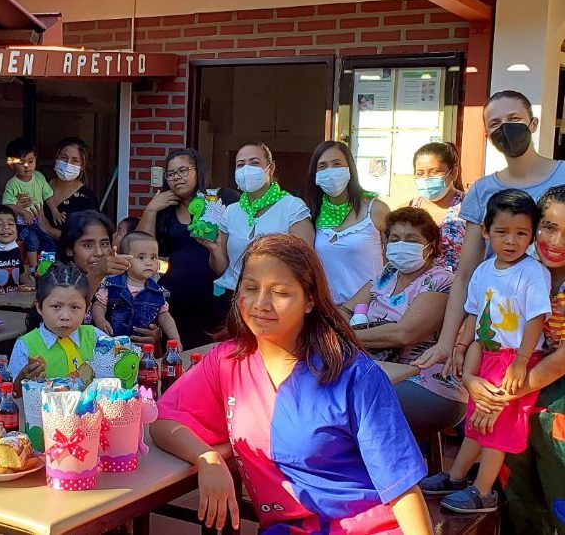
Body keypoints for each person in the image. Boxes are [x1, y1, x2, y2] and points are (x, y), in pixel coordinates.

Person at [151, 234, 431, 533]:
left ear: (310, 300)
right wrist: (206, 459)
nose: (261, 304)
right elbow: (164, 422)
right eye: (250, 288)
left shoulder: (355, 376)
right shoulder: (227, 362)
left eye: (280, 292)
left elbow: (402, 489)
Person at [416, 90, 565, 379]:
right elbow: (466, 272)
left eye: (514, 119)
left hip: (557, 323)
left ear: (532, 124)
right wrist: (447, 343)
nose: (506, 128)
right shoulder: (482, 191)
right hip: (505, 335)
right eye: (495, 124)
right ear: (487, 135)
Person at [420, 189, 550, 513]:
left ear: (532, 235)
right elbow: (474, 314)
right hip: (485, 354)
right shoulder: (482, 270)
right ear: (485, 231)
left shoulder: (533, 272)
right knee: (477, 424)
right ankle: (456, 475)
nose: (511, 241)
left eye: (521, 233)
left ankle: (484, 491)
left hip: (514, 360)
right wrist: (461, 347)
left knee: (497, 427)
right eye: (502, 232)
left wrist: (521, 361)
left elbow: (535, 318)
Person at [466, 185, 565, 532]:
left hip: (550, 401)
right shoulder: (519, 269)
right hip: (522, 392)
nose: (556, 241)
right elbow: (483, 324)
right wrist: (471, 378)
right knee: (519, 495)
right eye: (549, 227)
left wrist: (497, 400)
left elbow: (561, 360)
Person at [342, 207, 466, 439]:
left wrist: (344, 336)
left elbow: (404, 334)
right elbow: (345, 311)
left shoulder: (440, 281)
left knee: (348, 406)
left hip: (427, 383)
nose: (401, 245)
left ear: (430, 246)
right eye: (395, 238)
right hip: (381, 372)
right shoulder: (385, 276)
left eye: (411, 239)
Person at [139, 148, 240, 347]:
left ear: (198, 171)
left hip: (215, 299)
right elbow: (141, 245)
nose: (177, 178)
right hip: (177, 301)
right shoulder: (166, 210)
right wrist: (151, 209)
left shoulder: (220, 199)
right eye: (171, 174)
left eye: (183, 171)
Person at [208, 142, 313, 326]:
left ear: (270, 168)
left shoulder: (292, 207)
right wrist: (214, 250)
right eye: (240, 165)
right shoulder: (231, 211)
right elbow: (221, 267)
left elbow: (304, 263)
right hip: (231, 301)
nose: (246, 169)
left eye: (254, 163)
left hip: (273, 305)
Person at [308, 140, 389, 305]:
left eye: (337, 164)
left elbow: (393, 265)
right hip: (327, 311)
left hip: (370, 310)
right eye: (322, 166)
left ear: (350, 169)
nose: (330, 171)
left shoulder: (376, 209)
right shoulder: (311, 214)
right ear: (315, 175)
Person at [9, 262, 108, 390]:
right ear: (39, 307)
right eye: (56, 307)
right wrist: (23, 377)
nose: (65, 316)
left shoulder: (95, 337)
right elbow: (11, 394)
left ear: (87, 308)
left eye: (75, 307)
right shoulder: (26, 345)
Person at [92, 231, 181, 348]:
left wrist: (175, 339)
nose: (149, 263)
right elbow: (99, 305)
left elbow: (165, 316)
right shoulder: (113, 284)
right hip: (112, 346)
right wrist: (101, 321)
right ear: (125, 259)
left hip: (143, 349)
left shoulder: (158, 292)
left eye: (153, 257)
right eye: (141, 257)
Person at [3, 137, 59, 285]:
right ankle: (34, 270)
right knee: (32, 238)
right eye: (21, 163)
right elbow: (7, 205)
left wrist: (55, 212)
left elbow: (48, 196)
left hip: (38, 221)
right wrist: (23, 211)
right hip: (22, 225)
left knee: (50, 241)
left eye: (31, 161)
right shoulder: (12, 184)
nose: (27, 166)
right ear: (11, 164)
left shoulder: (39, 177)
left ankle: (45, 268)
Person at [410, 142, 465, 270]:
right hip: (416, 287)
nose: (426, 178)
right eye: (420, 173)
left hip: (457, 287)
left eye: (434, 172)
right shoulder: (409, 209)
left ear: (453, 173)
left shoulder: (470, 207)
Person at [42, 137, 100, 242]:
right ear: (56, 158)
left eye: (75, 160)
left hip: (66, 257)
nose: (68, 164)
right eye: (63, 157)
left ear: (82, 166)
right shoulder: (40, 186)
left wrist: (49, 230)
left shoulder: (86, 197)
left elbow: (87, 239)